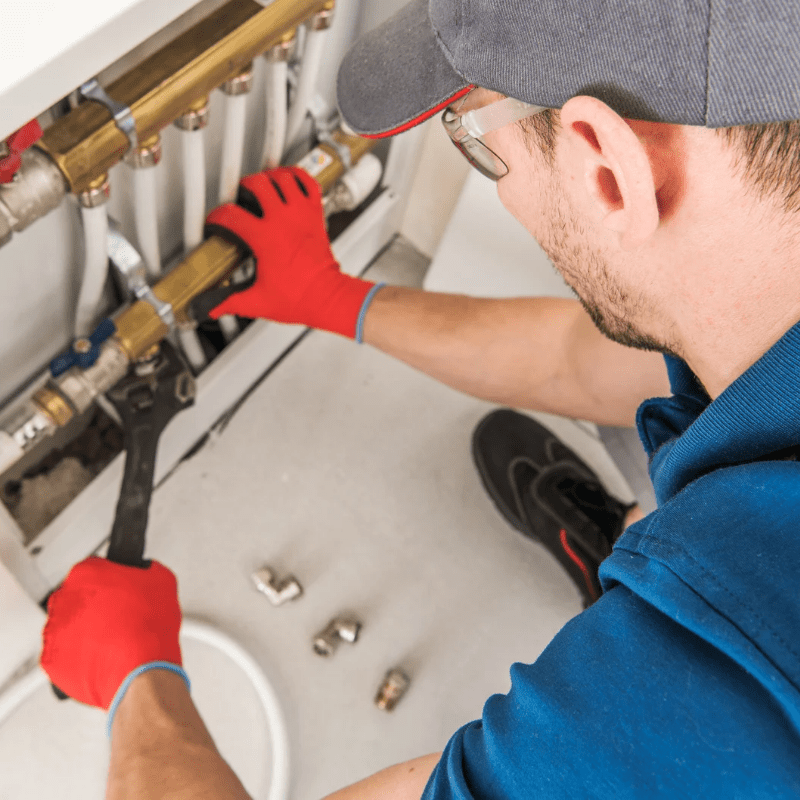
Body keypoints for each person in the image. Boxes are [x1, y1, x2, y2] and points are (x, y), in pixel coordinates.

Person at [41, 0, 800, 796]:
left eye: (473, 140)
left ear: (607, 168)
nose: (487, 170)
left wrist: (138, 680)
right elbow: (580, 363)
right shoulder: (751, 296)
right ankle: (624, 534)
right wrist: (332, 297)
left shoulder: (702, 706)